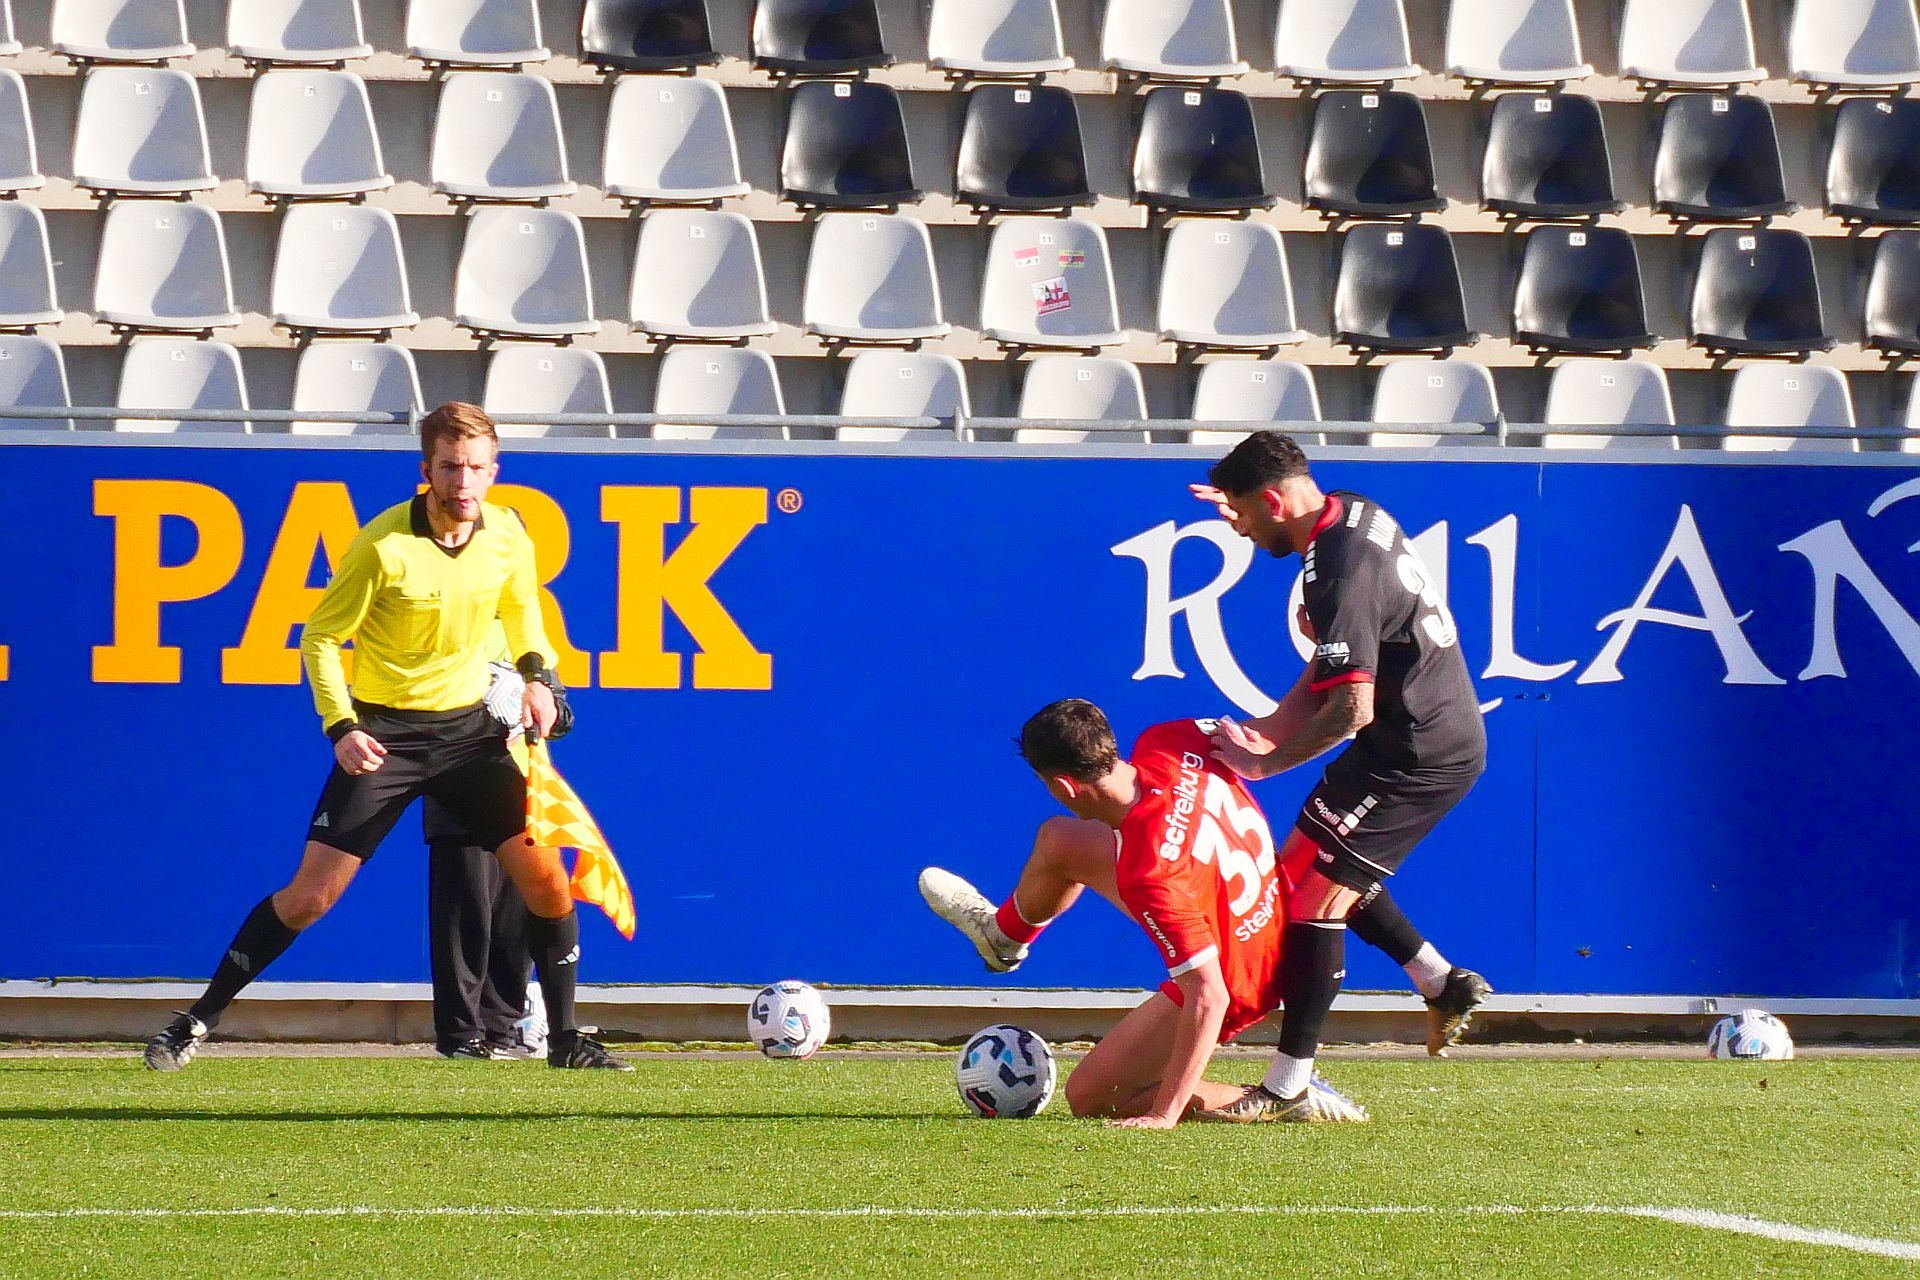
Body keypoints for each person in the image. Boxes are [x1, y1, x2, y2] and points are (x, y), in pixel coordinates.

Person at [143, 402, 629, 1072]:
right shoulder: (382, 546)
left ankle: (566, 1040)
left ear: (495, 470)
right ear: (426, 470)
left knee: (547, 882)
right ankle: (196, 1019)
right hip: (386, 737)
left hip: (470, 735)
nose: (463, 481)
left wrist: (538, 678)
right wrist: (341, 726)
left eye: (476, 467)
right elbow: (319, 639)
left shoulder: (508, 536)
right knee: (310, 897)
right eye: (450, 467)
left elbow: (522, 614)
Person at [1187, 430, 1491, 1121]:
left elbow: (1352, 708)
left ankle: (1288, 1085)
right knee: (1303, 871)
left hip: (1418, 752)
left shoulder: (1338, 571)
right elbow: (1340, 663)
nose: (1238, 527)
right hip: (1403, 737)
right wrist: (1271, 726)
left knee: (1312, 902)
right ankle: (1441, 982)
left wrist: (1263, 761)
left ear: (1273, 500)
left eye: (1243, 512)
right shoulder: (1349, 509)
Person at [921, 700, 1362, 1128]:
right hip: (1270, 912)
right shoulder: (1170, 738)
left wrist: (1163, 1113)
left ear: (1064, 787)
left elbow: (1210, 996)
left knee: (1092, 1096)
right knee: (1061, 841)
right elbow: (1267, 731)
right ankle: (1003, 937)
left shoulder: (1148, 874)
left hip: (1243, 974)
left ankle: (1285, 1098)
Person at [425, 659, 569, 1062]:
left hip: (523, 797)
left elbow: (563, 717)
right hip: (457, 796)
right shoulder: (449, 647)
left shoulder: (532, 657)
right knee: (463, 921)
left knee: (514, 924)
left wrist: (535, 717)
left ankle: (501, 1030)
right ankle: (460, 1036)